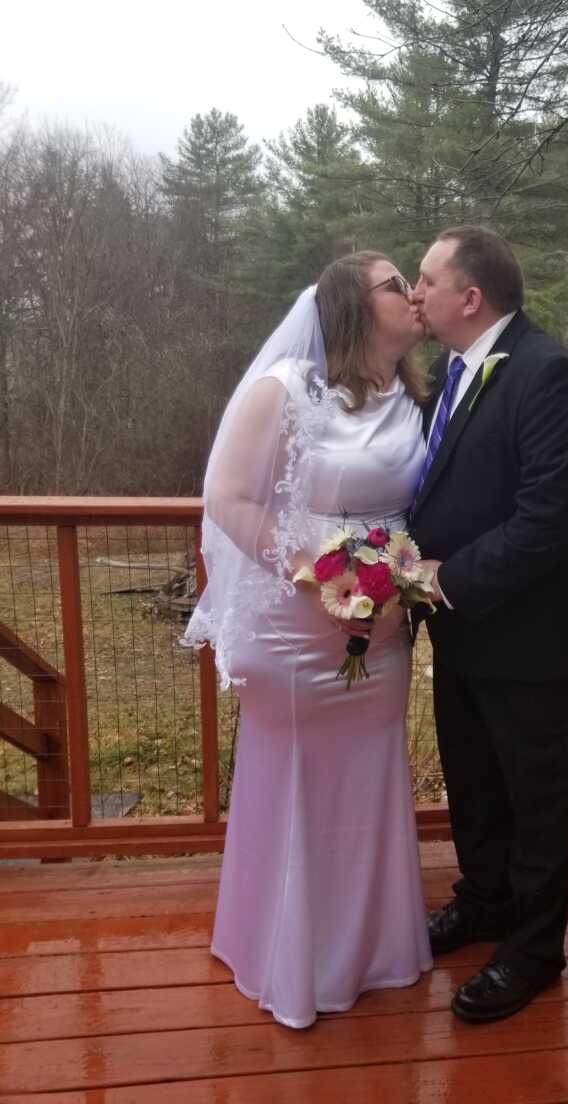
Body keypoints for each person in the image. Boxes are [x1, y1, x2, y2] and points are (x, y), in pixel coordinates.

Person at [183, 252, 433, 1029]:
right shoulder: (284, 390)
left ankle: (369, 950)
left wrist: (397, 580)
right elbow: (227, 496)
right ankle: (284, 958)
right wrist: (313, 577)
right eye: (397, 284)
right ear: (352, 308)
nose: (415, 294)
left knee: (369, 780)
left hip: (382, 624)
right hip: (295, 629)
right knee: (293, 782)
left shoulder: (416, 397)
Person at [409, 225, 568, 1023]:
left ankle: (532, 951)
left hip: (532, 641)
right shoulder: (451, 372)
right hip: (462, 634)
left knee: (536, 801)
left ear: (471, 296)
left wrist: (445, 578)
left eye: (426, 280)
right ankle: (484, 901)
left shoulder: (547, 373)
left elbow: (549, 520)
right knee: (475, 790)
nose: (416, 294)